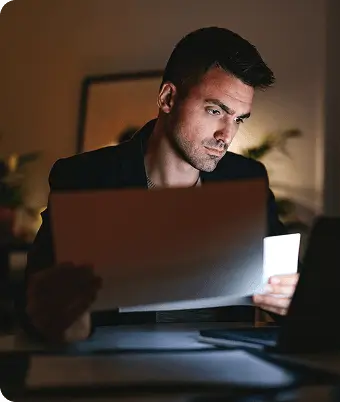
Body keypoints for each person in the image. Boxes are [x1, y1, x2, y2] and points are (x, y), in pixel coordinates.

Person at [20, 27, 299, 343]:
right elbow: (33, 309)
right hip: (117, 377)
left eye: (238, 119)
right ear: (168, 98)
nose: (227, 134)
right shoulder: (85, 177)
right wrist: (59, 318)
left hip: (221, 380)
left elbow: (292, 297)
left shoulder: (246, 180)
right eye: (215, 110)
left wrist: (292, 299)